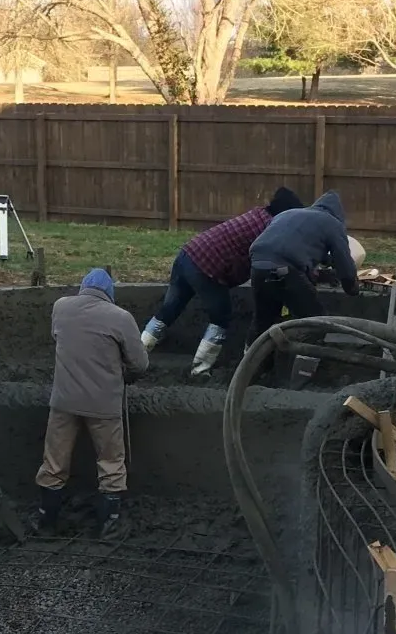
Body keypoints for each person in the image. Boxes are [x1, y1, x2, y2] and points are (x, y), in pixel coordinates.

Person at [31, 268, 149, 540]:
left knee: (54, 463)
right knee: (110, 463)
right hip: (104, 405)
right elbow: (140, 364)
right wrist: (124, 372)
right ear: (110, 294)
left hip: (64, 401)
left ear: (83, 287)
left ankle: (46, 523)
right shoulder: (120, 318)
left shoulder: (61, 307)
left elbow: (61, 339)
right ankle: (109, 525)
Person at [140, 187, 303, 376]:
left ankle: (137, 357)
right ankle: (200, 370)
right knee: (221, 316)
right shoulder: (271, 229)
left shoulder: (256, 215)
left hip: (187, 254)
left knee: (169, 309)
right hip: (206, 268)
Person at [246, 189, 360, 341]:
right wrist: (352, 287)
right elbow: (345, 268)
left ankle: (250, 362)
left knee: (263, 322)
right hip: (285, 269)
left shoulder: (288, 214)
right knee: (316, 323)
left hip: (258, 265)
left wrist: (326, 261)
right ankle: (303, 362)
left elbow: (288, 242)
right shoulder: (333, 224)